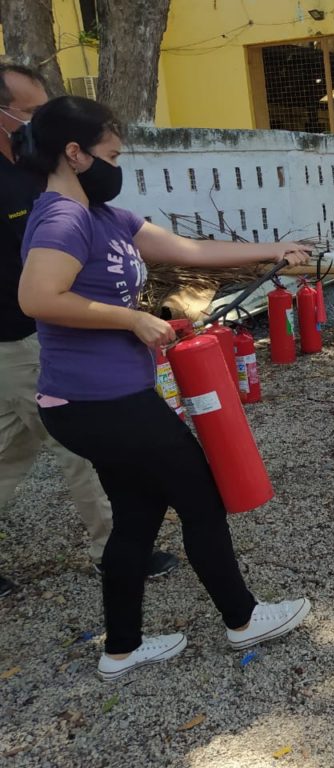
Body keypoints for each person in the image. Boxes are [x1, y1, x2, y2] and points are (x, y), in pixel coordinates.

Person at [16, 95, 312, 680]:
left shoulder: (106, 218)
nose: (116, 166)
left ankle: (121, 648)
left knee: (136, 514)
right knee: (200, 499)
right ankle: (243, 618)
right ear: (73, 154)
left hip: (105, 400)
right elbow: (38, 298)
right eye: (110, 154)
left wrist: (274, 250)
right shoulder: (62, 218)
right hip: (97, 402)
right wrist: (131, 319)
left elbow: (192, 250)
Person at [0, 62, 177, 596]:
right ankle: (117, 549)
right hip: (20, 338)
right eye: (30, 111)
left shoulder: (37, 171)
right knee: (79, 445)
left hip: (45, 334)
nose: (40, 119)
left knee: (13, 448)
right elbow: (40, 289)